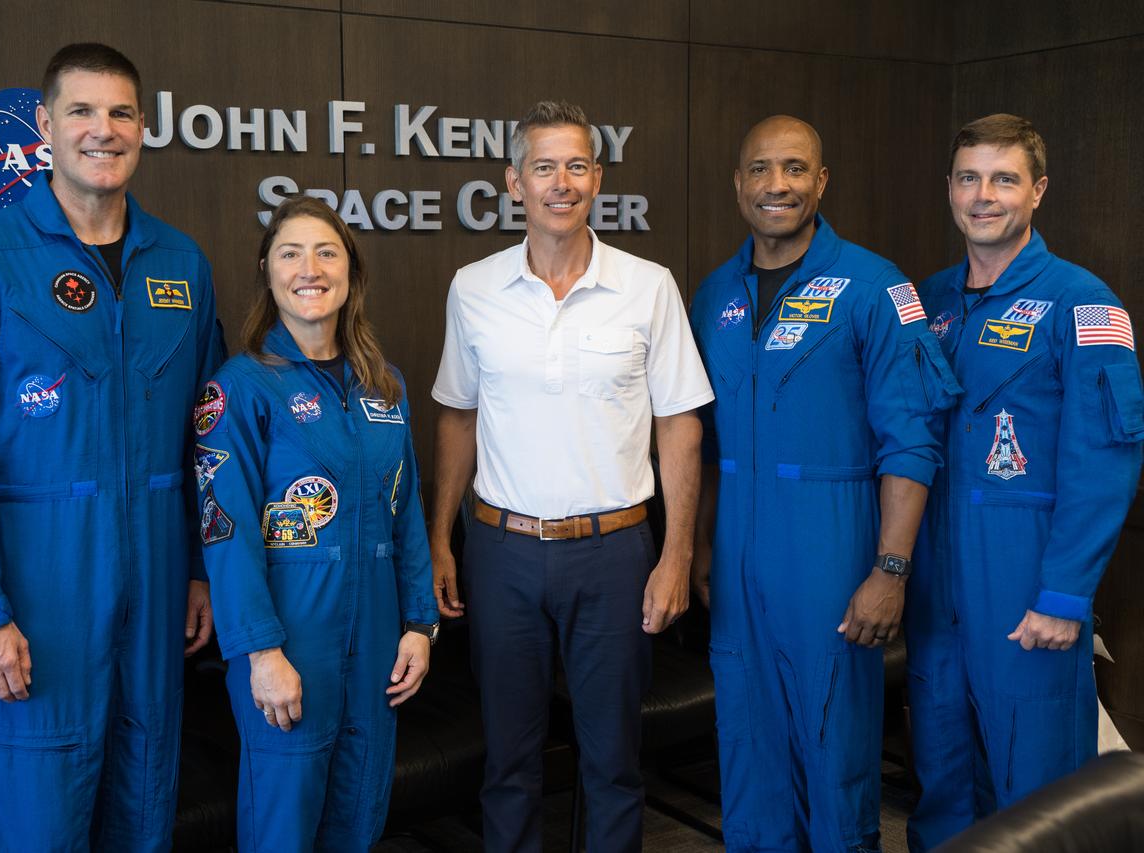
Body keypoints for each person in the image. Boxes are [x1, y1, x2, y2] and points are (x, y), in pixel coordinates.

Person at [0, 43, 224, 850]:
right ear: (45, 126)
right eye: (81, 111)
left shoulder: (181, 265)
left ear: (143, 129)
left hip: (156, 591)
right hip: (39, 598)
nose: (102, 130)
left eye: (121, 112)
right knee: (37, 819)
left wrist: (198, 567)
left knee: (145, 802)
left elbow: (206, 437)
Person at [430, 100, 713, 853]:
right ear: (513, 182)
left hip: (615, 552)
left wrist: (676, 554)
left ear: (598, 179)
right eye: (544, 166)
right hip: (502, 549)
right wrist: (438, 540)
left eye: (578, 166)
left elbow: (680, 421)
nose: (562, 182)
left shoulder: (648, 285)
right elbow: (457, 414)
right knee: (510, 759)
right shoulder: (474, 287)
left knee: (613, 762)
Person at [689, 115, 960, 853]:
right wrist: (705, 543)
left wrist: (890, 568)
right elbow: (706, 441)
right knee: (748, 738)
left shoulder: (876, 287)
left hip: (831, 546)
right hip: (739, 551)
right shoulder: (715, 294)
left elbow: (912, 441)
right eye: (761, 169)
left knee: (833, 739)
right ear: (738, 183)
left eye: (796, 169)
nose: (777, 185)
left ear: (822, 181)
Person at [904, 114, 1144, 850]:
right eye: (969, 177)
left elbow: (1104, 462)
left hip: (1026, 576)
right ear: (949, 188)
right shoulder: (930, 301)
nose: (984, 196)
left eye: (1004, 178)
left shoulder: (1084, 302)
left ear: (1037, 191)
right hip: (935, 581)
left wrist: (1065, 595)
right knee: (942, 774)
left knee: (1038, 793)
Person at [197, 194, 439, 851]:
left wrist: (421, 622)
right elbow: (227, 533)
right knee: (285, 821)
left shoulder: (383, 385)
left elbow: (406, 506)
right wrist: (260, 650)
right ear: (267, 272)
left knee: (361, 814)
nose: (311, 267)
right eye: (291, 252)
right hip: (290, 639)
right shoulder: (240, 387)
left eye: (327, 251)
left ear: (352, 274)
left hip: (379, 636)